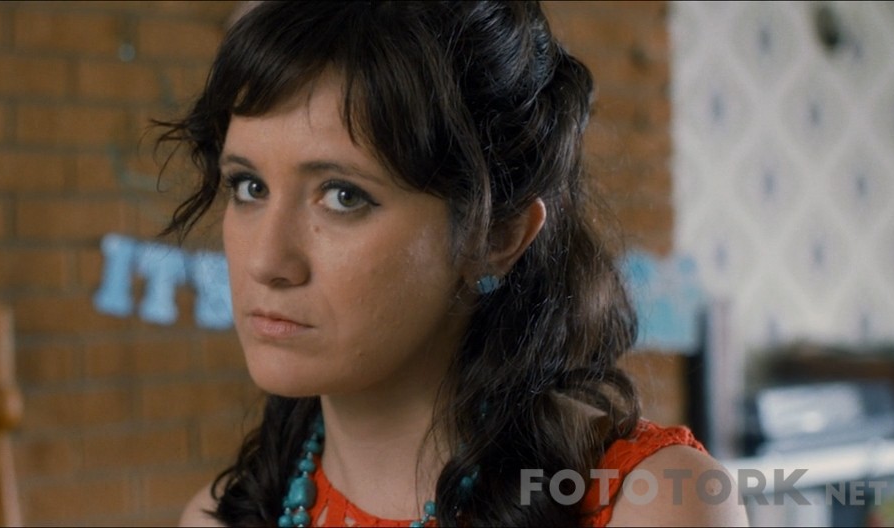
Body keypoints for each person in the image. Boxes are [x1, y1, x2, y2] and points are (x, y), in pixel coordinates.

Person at [157, 2, 749, 526]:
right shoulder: (216, 519)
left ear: (496, 236)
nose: (266, 261)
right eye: (249, 186)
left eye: (343, 196)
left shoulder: (649, 505)